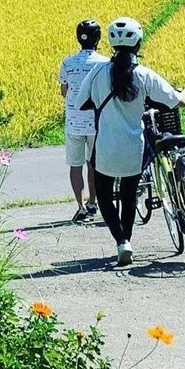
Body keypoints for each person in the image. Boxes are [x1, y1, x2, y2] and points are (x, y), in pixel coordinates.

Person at [76, 17, 185, 266]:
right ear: (138, 44)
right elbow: (173, 101)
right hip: (134, 147)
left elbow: (80, 102)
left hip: (105, 147)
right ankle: (127, 239)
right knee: (129, 195)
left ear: (111, 44)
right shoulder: (143, 74)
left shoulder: (98, 72)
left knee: (106, 197)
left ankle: (122, 242)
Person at [58, 20, 109, 223]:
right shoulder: (105, 63)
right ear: (98, 38)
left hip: (74, 122)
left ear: (78, 38)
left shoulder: (67, 63)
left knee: (75, 165)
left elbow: (64, 91)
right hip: (97, 122)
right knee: (93, 164)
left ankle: (80, 207)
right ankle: (92, 203)